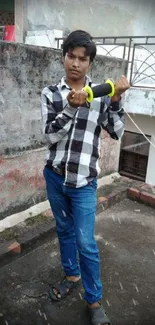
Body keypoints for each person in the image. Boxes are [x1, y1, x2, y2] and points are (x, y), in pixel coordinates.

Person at [41, 30, 130, 325]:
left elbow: (116, 131)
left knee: (86, 242)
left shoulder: (100, 94)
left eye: (82, 59)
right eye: (71, 56)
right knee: (64, 231)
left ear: (90, 63)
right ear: (64, 56)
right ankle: (71, 275)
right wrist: (71, 107)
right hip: (55, 177)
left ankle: (93, 301)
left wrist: (116, 99)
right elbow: (50, 135)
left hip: (83, 183)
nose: (75, 64)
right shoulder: (51, 93)